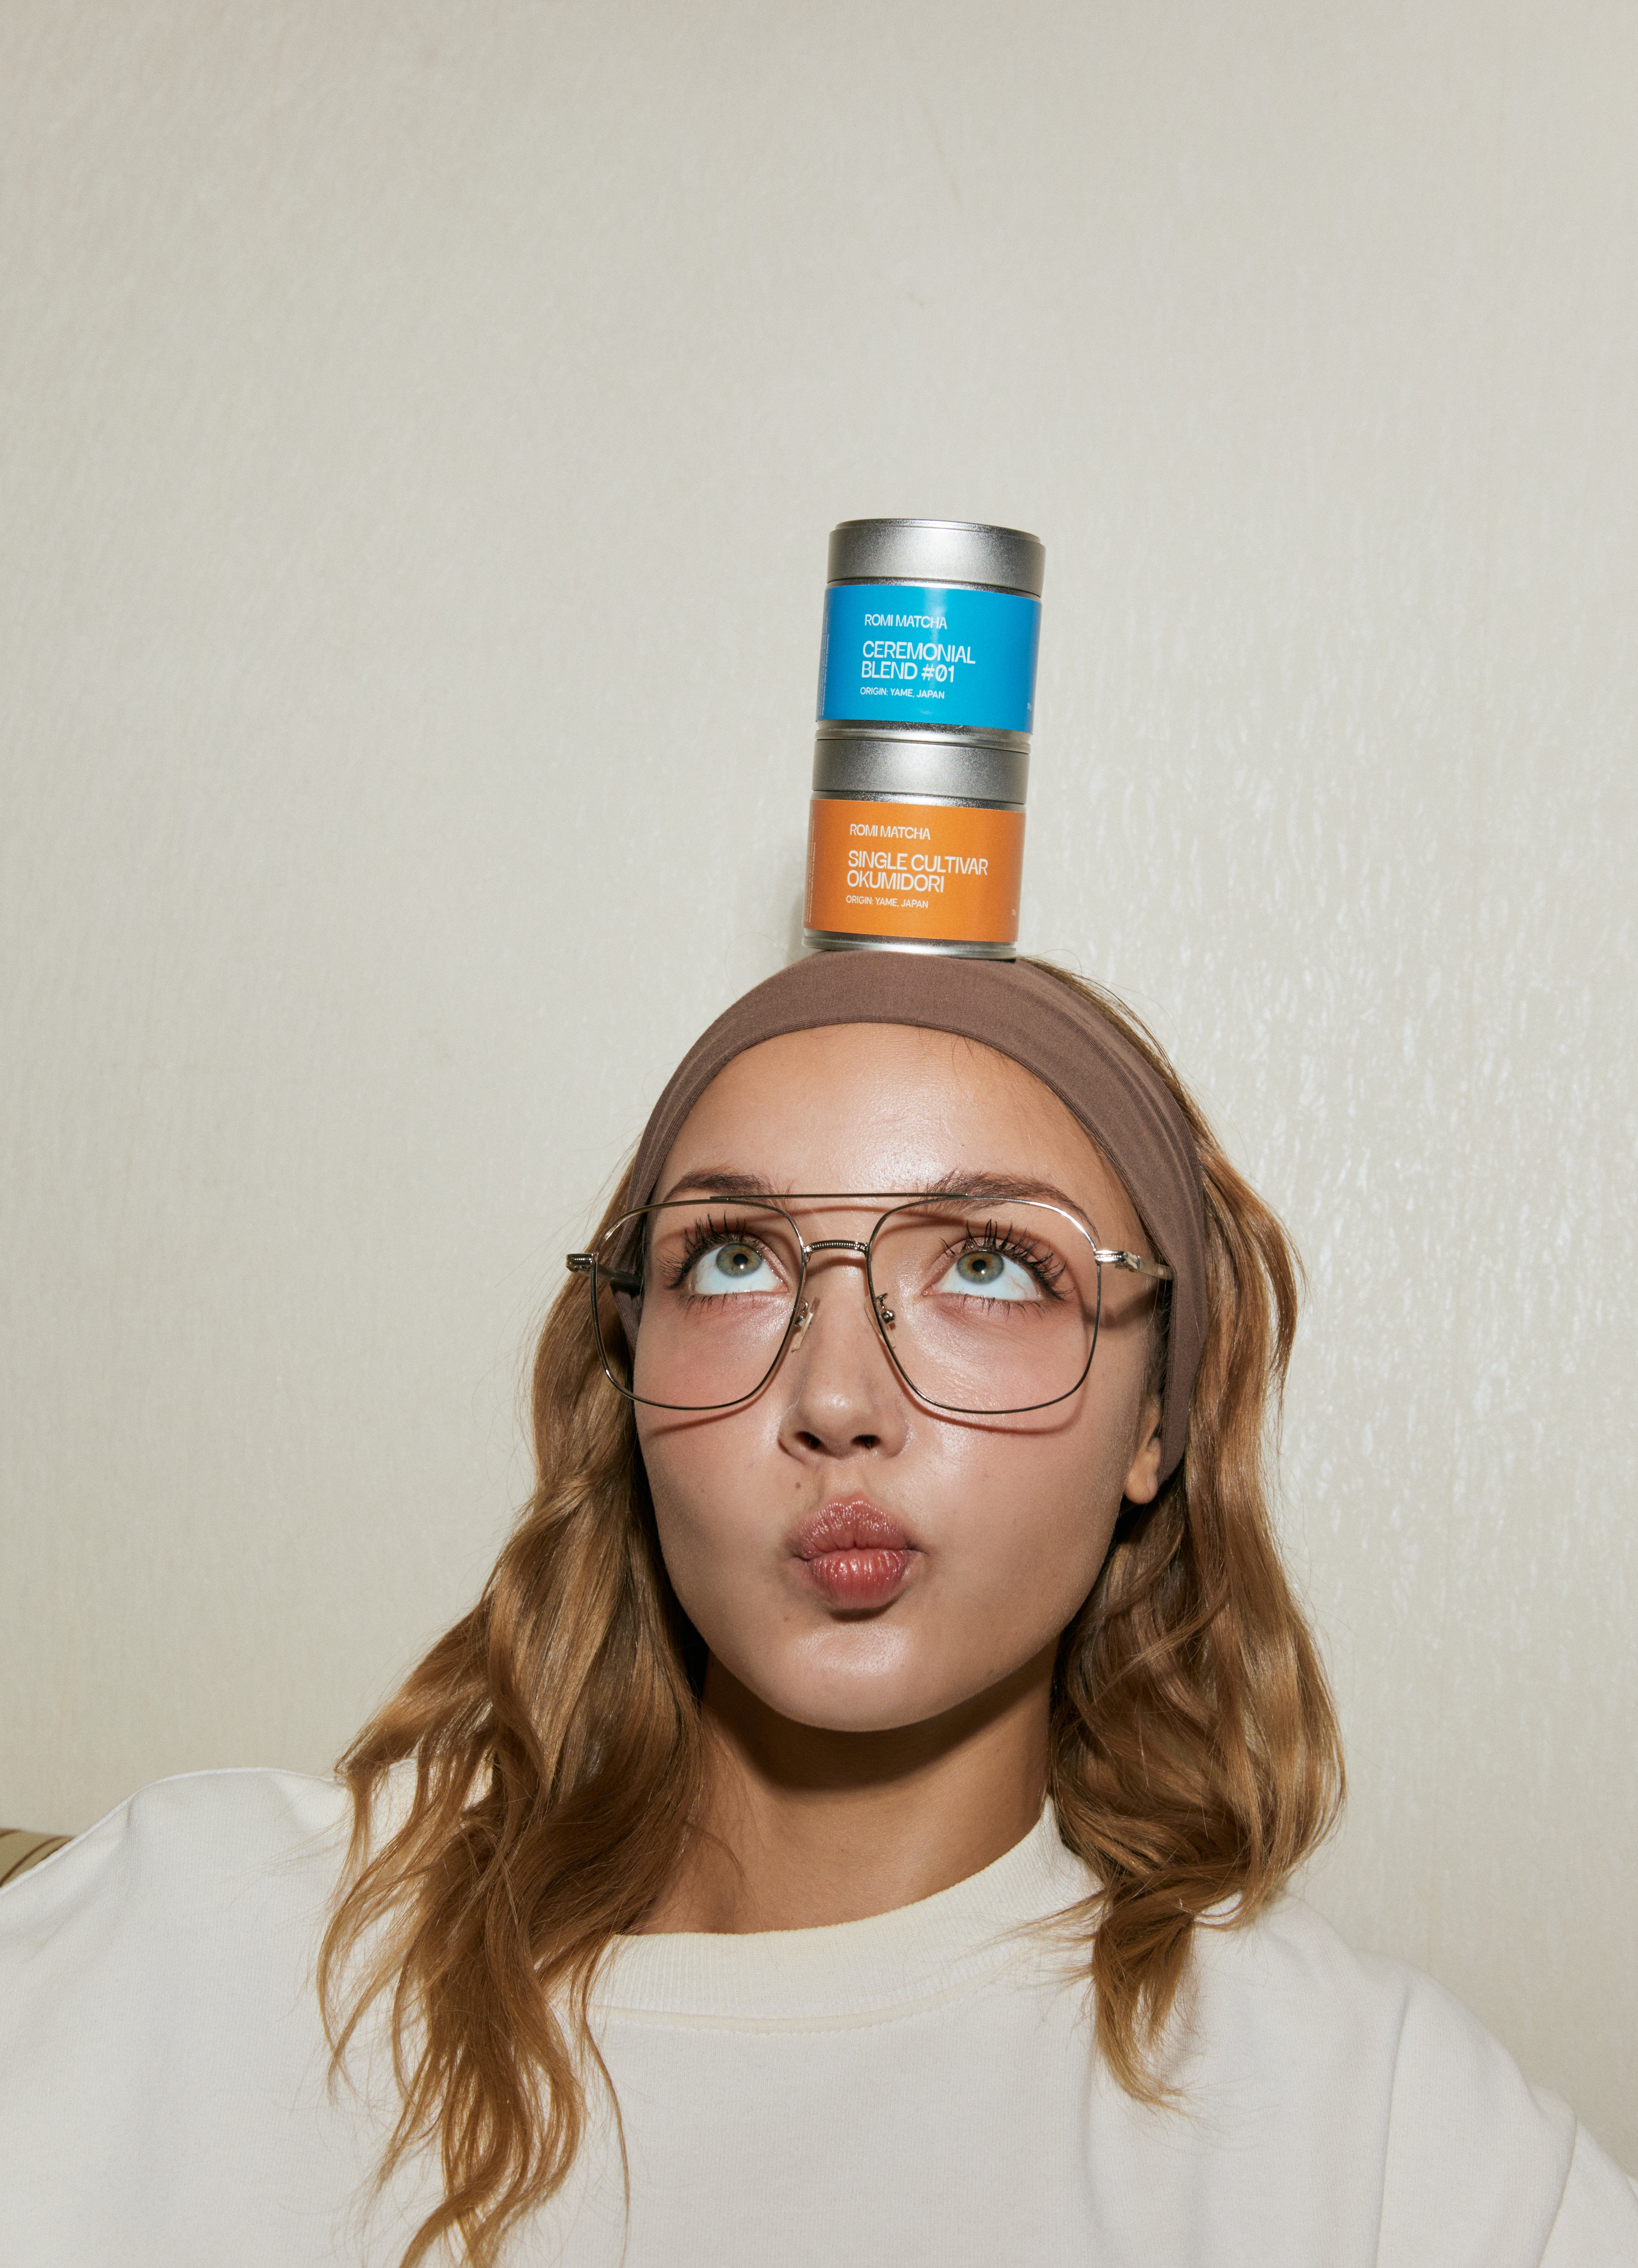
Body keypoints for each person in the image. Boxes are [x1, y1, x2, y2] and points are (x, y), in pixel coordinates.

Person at [1, 951, 1633, 2268]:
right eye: (732, 1262)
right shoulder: (191, 1939)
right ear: (626, 1376)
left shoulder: (1378, 2145)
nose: (836, 1396)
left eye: (992, 1264)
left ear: (1160, 1423)